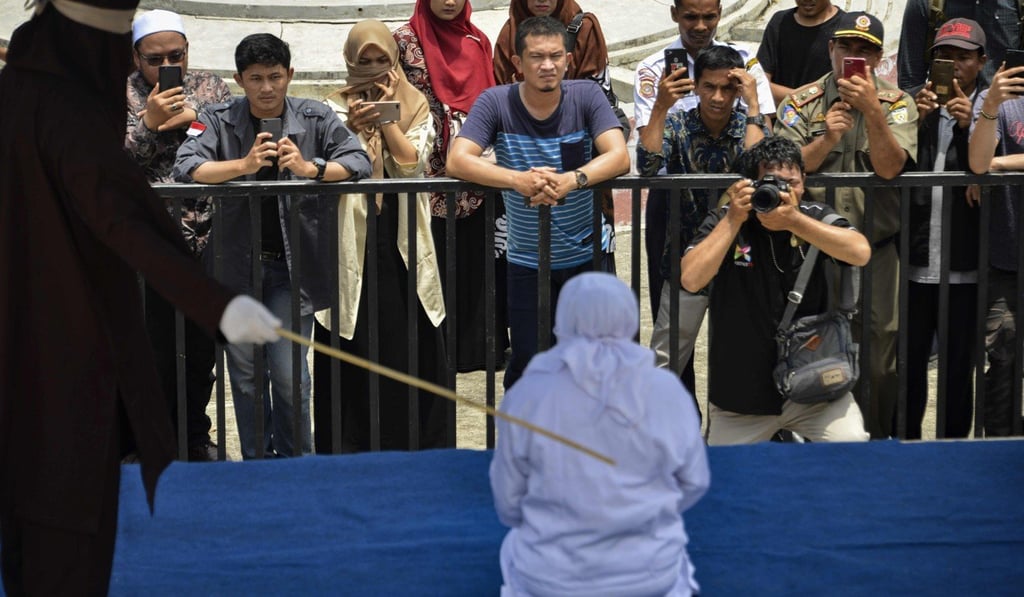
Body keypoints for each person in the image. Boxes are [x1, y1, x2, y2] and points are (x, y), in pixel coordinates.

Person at [0, 1, 279, 593]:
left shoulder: (33, 87)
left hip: (57, 301)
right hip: (60, 311)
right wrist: (217, 304)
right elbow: (117, 208)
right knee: (64, 487)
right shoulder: (60, 101)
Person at [173, 33, 371, 459]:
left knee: (289, 375)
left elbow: (359, 161)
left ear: (290, 75)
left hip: (290, 270)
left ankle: (297, 464)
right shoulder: (216, 116)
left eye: (275, 77)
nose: (266, 88)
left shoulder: (316, 117)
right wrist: (243, 165)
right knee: (244, 377)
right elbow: (185, 166)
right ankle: (257, 466)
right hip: (231, 270)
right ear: (240, 80)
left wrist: (310, 168)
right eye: (256, 78)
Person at [490, 272, 710, 596]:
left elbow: (508, 503)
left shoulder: (527, 394)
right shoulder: (666, 390)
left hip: (551, 578)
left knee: (514, 551)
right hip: (649, 575)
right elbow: (694, 483)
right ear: (629, 320)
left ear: (561, 323)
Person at [447, 16, 631, 389]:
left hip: (588, 257)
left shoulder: (585, 95)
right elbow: (458, 159)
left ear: (567, 58)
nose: (547, 66)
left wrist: (570, 181)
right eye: (536, 57)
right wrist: (519, 180)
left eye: (555, 56)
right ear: (518, 63)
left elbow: (619, 155)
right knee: (531, 365)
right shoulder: (496, 101)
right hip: (527, 261)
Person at [774, 11, 918, 439]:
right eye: (846, 47)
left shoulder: (896, 104)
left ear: (877, 57)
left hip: (876, 251)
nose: (853, 57)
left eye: (864, 50)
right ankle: (811, 442)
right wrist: (828, 139)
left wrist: (872, 112)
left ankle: (873, 446)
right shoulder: (800, 103)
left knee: (878, 358)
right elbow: (785, 170)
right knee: (809, 349)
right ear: (831, 49)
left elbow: (891, 168)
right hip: (812, 253)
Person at [680, 137, 871, 444]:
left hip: (815, 390)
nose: (782, 193)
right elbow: (690, 278)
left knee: (850, 448)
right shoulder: (727, 219)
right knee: (728, 482)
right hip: (741, 400)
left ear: (804, 182)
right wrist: (732, 219)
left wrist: (795, 222)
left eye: (791, 183)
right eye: (771, 183)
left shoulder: (813, 214)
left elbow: (860, 252)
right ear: (750, 185)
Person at [313, 19, 448, 452]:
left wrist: (387, 118)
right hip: (352, 242)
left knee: (406, 340)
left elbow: (412, 165)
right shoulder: (330, 110)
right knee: (353, 338)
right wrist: (354, 130)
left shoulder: (416, 103)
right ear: (350, 62)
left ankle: (414, 450)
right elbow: (335, 168)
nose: (373, 70)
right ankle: (351, 452)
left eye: (381, 60)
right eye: (364, 61)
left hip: (402, 240)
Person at [633, 0, 775, 349]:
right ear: (674, 14)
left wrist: (752, 105)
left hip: (737, 224)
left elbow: (761, 155)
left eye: (709, 16)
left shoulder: (745, 62)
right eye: (690, 16)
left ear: (720, 15)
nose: (700, 26)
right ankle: (675, 404)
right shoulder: (654, 68)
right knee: (673, 335)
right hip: (676, 213)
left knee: (741, 338)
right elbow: (649, 162)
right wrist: (662, 105)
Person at [125, 9, 232, 462]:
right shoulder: (115, 95)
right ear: (136, 57)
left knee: (200, 348)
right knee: (148, 348)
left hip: (205, 239)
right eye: (155, 58)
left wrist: (195, 120)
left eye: (176, 55)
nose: (167, 65)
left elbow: (230, 143)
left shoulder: (211, 89)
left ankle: (193, 435)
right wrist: (147, 125)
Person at [394, 0, 507, 373]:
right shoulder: (404, 41)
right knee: (429, 264)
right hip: (424, 174)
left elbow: (489, 102)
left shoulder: (476, 40)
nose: (448, 2)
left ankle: (475, 352)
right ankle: (432, 355)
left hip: (474, 175)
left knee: (474, 263)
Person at [906, 18, 987, 439]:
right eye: (944, 55)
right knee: (908, 368)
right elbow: (893, 169)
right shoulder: (910, 105)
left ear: (981, 62)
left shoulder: (990, 109)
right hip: (913, 265)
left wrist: (967, 125)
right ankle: (906, 454)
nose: (952, 64)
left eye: (963, 56)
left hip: (965, 264)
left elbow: (984, 169)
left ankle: (954, 454)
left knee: (958, 370)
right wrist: (915, 121)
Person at [967, 49, 1024, 437]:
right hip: (1007, 260)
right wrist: (989, 103)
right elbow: (977, 161)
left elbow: (989, 164)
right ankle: (998, 454)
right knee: (1002, 363)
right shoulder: (997, 103)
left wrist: (1003, 164)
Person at [899, 0, 1022, 91]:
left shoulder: (1018, 5)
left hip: (1004, 118)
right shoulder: (927, 4)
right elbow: (910, 82)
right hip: (944, 117)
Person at [757, 0, 844, 105]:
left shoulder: (844, 28)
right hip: (781, 116)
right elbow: (760, 83)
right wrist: (805, 100)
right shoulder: (779, 22)